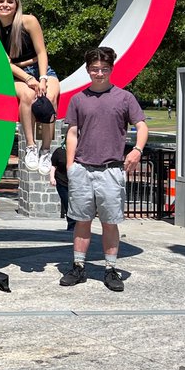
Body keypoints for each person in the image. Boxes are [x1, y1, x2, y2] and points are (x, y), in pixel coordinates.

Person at [62, 46, 148, 292]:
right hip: (82, 168)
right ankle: (78, 266)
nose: (99, 73)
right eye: (94, 69)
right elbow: (72, 132)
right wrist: (70, 165)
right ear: (88, 70)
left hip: (111, 169)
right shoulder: (78, 99)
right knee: (82, 220)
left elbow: (141, 126)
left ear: (111, 69)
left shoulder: (124, 97)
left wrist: (137, 150)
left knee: (110, 222)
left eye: (104, 69)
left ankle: (111, 269)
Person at [0, 0, 61, 176]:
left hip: (39, 68)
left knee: (50, 96)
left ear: (17, 5)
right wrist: (28, 79)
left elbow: (42, 52)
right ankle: (30, 146)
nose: (5, 5)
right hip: (13, 74)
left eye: (10, 1)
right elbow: (5, 63)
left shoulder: (29, 21)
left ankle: (46, 150)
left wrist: (42, 78)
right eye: (1, 1)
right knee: (28, 95)